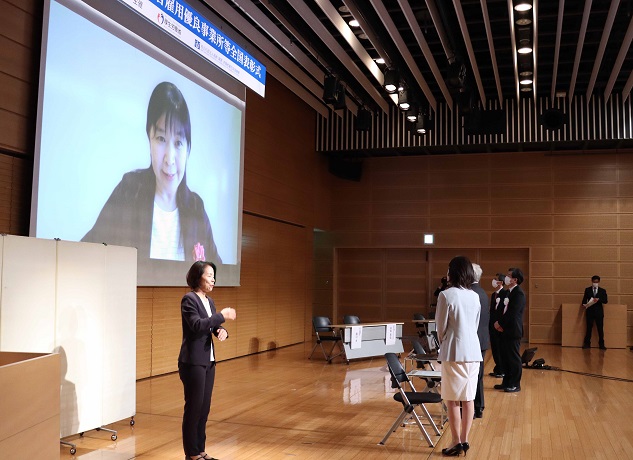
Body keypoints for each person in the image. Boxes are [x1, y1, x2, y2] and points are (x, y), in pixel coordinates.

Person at [82, 81, 221, 264]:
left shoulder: (196, 210)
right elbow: (86, 253)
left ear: (188, 149)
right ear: (149, 139)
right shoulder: (129, 191)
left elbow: (217, 272)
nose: (169, 159)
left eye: (178, 143)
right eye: (161, 139)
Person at [179, 261, 236, 460]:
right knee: (194, 408)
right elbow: (196, 325)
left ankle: (200, 450)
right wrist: (222, 316)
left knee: (204, 408)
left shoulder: (209, 301)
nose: (213, 279)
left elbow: (210, 325)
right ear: (198, 277)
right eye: (209, 275)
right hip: (193, 361)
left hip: (208, 361)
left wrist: (220, 330)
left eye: (213, 275)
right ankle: (192, 453)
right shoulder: (189, 299)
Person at [436, 256, 482, 456]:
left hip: (454, 351)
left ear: (452, 272)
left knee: (452, 399)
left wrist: (444, 341)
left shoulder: (446, 295)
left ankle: (455, 441)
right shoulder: (474, 296)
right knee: (468, 399)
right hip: (474, 352)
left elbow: (440, 327)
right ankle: (465, 440)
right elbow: (475, 324)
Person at [493, 268, 526, 393]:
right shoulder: (508, 292)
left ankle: (515, 384)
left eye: (509, 276)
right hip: (504, 330)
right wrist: (497, 323)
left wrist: (501, 323)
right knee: (505, 357)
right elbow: (502, 309)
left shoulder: (519, 294)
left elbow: (513, 313)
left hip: (512, 330)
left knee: (513, 358)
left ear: (515, 280)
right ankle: (506, 382)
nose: (506, 277)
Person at [470, 263, 490, 419]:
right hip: (482, 338)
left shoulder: (470, 293)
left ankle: (472, 407)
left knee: (472, 376)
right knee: (478, 375)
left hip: (473, 340)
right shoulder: (482, 292)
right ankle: (479, 406)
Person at [582, 275, 608, 350]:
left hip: (599, 312)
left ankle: (601, 344)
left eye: (596, 282)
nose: (595, 283)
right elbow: (584, 300)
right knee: (589, 328)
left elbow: (605, 301)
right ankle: (587, 343)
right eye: (594, 282)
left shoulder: (602, 291)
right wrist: (584, 304)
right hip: (590, 312)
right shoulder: (587, 290)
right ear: (592, 281)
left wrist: (598, 300)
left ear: (599, 282)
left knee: (600, 329)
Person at [488, 273, 506, 378]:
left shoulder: (505, 294)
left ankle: (502, 369)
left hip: (499, 326)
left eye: (496, 279)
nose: (494, 281)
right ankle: (497, 368)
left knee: (500, 349)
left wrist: (500, 323)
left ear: (501, 282)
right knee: (494, 348)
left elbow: (503, 311)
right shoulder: (493, 294)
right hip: (492, 326)